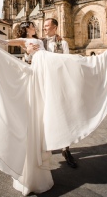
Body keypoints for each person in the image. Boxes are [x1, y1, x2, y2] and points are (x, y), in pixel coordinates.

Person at [0, 22, 107, 196]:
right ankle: (100, 61)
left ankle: (98, 62)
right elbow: (8, 41)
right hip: (38, 76)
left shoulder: (43, 40)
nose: (37, 27)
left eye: (40, 26)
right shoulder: (26, 40)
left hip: (46, 75)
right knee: (38, 116)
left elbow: (49, 44)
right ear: (27, 29)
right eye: (33, 25)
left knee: (47, 109)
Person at [25, 18, 76, 168]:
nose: (45, 29)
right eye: (44, 26)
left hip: (58, 84)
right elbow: (28, 59)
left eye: (47, 26)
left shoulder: (62, 43)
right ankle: (44, 146)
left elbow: (67, 62)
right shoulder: (40, 42)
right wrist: (28, 53)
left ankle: (66, 149)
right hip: (42, 84)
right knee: (42, 116)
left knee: (63, 116)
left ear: (55, 27)